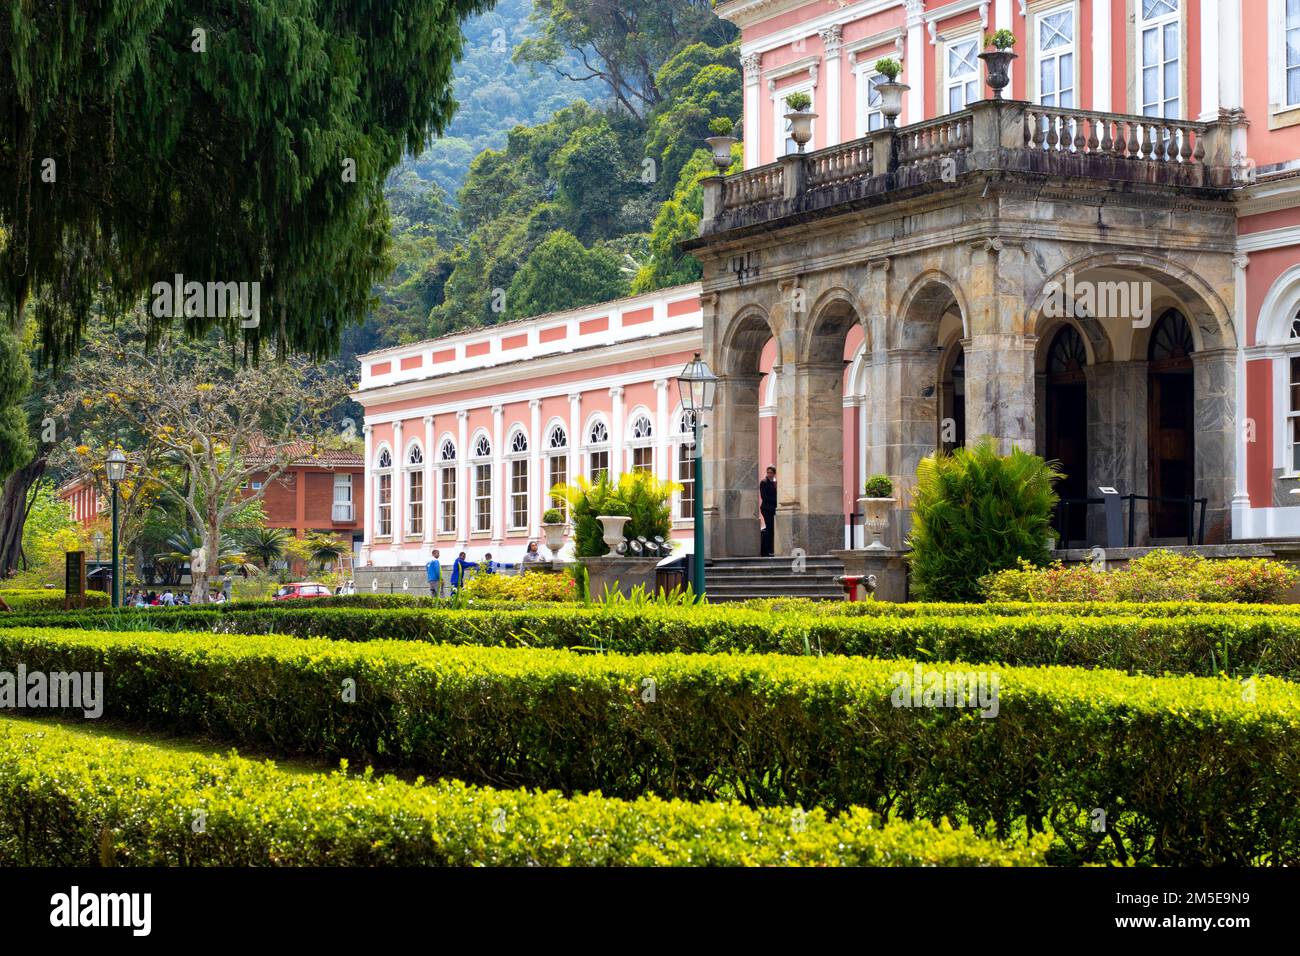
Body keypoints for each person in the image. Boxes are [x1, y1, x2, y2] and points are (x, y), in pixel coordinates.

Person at [759, 465, 777, 557]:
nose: (769, 474)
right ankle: (766, 551)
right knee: (769, 529)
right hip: (766, 509)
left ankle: (770, 550)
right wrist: (776, 500)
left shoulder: (775, 483)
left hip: (773, 509)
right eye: (768, 472)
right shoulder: (763, 482)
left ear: (774, 473)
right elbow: (764, 497)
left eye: (771, 472)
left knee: (771, 529)